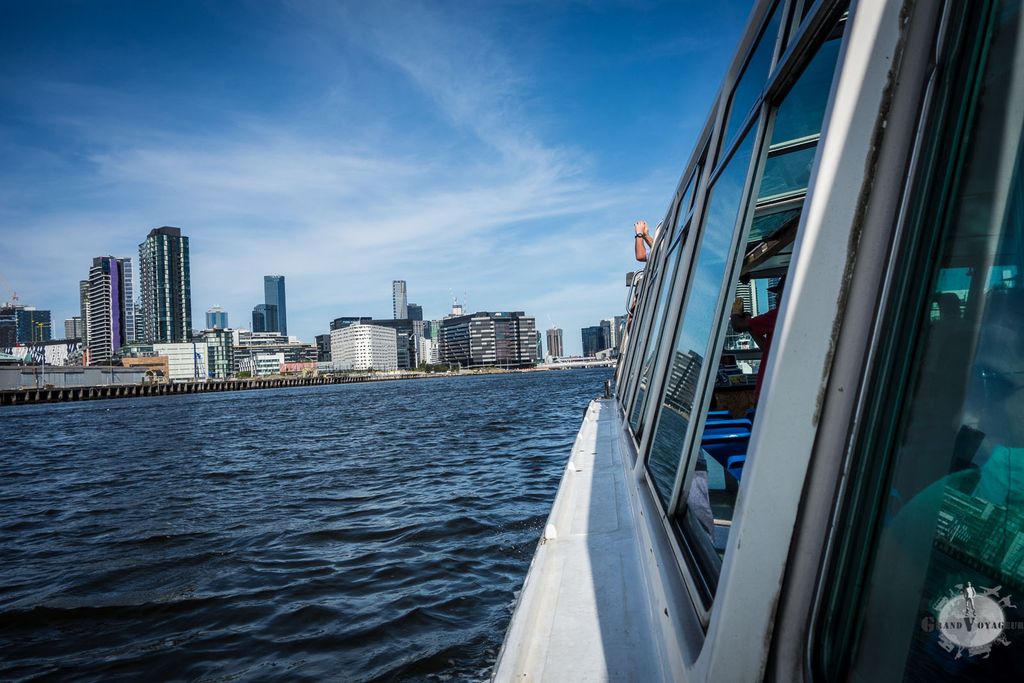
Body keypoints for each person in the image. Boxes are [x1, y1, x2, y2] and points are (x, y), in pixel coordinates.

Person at [729, 277, 785, 401]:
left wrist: (735, 313)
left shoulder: (781, 314)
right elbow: (767, 348)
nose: (776, 298)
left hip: (769, 391)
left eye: (779, 294)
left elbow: (738, 326)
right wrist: (750, 324)